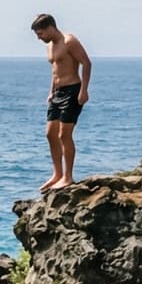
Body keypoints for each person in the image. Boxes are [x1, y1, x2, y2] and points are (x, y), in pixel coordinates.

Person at [31, 14, 92, 191]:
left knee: (64, 135)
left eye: (40, 33)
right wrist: (51, 91)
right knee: (50, 134)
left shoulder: (69, 41)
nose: (39, 38)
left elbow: (86, 63)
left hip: (73, 91)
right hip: (57, 93)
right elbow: (55, 70)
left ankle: (68, 177)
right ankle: (57, 174)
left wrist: (84, 90)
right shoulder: (49, 46)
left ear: (50, 27)